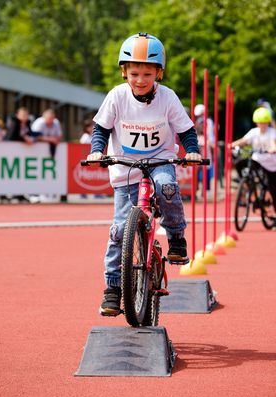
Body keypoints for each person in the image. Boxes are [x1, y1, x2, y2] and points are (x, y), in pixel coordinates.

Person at [86, 32, 202, 316]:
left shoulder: (167, 98)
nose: (140, 79)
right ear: (124, 71)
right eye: (134, 73)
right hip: (125, 167)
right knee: (118, 232)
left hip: (159, 161)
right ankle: (113, 289)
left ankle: (176, 237)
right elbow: (101, 128)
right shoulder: (116, 96)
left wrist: (191, 151)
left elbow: (186, 130)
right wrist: (97, 151)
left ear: (158, 73)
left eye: (147, 74)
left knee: (167, 187)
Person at [231, 107, 276, 223]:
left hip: (271, 164)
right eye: (260, 122)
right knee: (240, 162)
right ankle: (246, 181)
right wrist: (231, 145)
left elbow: (273, 143)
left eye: (264, 122)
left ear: (268, 122)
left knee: (273, 189)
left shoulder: (272, 133)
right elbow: (244, 141)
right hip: (257, 159)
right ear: (256, 122)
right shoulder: (254, 132)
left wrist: (272, 149)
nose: (262, 125)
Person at [194, 103, 215, 192]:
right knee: (201, 166)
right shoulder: (206, 121)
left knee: (203, 166)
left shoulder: (205, 121)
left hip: (204, 143)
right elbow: (209, 135)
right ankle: (201, 187)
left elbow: (209, 135)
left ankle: (203, 187)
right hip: (203, 143)